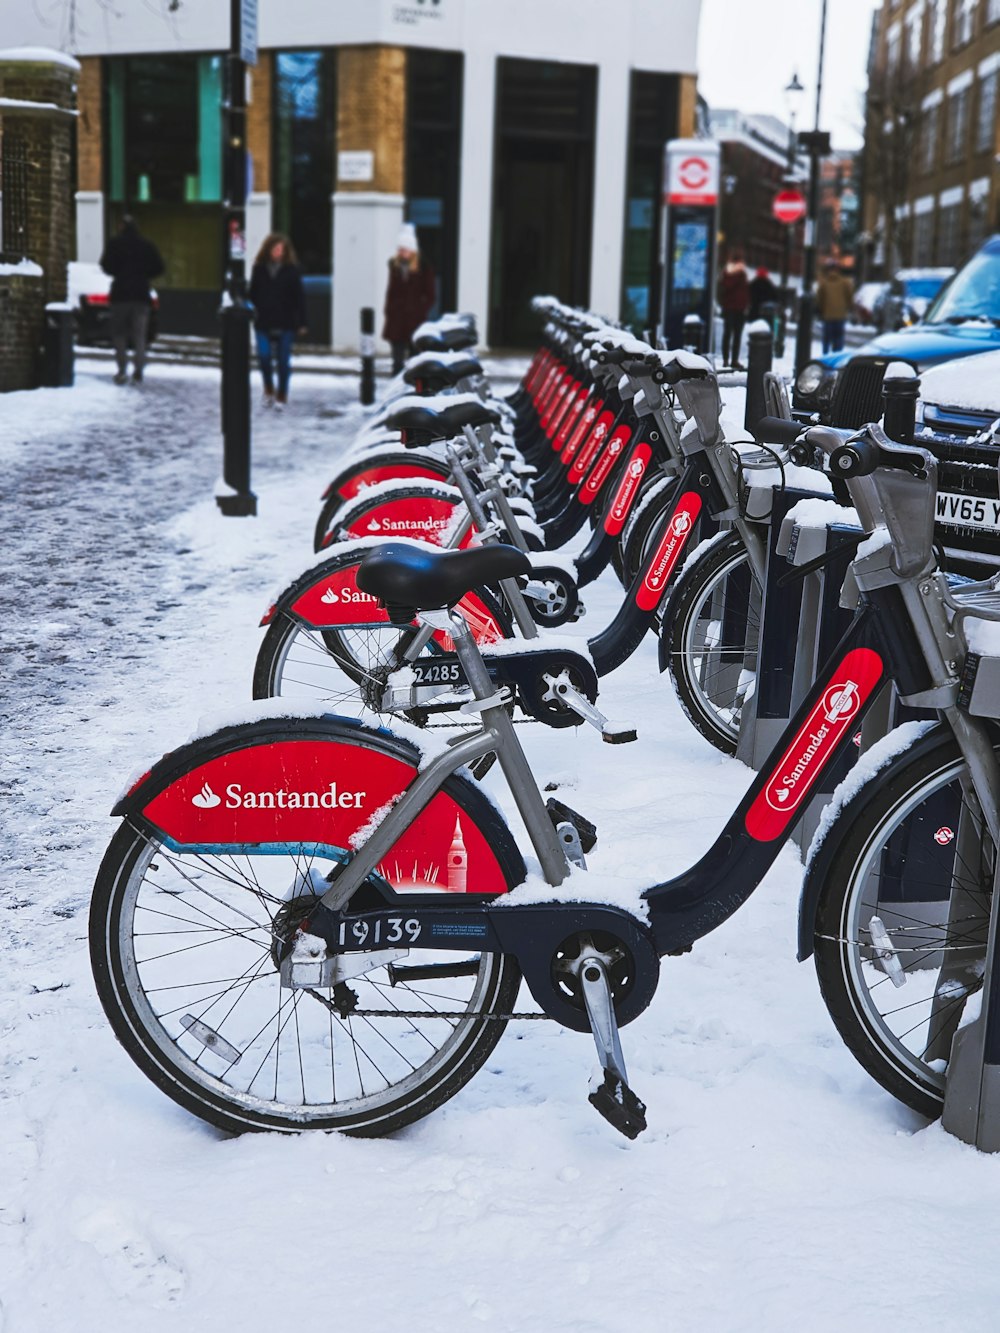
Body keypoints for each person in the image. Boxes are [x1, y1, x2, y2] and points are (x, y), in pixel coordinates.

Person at [99, 215, 164, 385]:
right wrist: (144, 275)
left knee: (119, 334)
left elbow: (105, 265)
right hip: (141, 295)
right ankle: (138, 371)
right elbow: (159, 267)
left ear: (122, 227)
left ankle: (122, 370)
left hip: (120, 294)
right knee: (139, 335)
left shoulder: (115, 244)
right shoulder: (146, 246)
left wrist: (120, 272)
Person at [248, 233, 307, 408]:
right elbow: (253, 293)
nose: (278, 252)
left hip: (285, 321)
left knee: (283, 361)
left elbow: (299, 298)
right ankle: (268, 387)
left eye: (281, 249)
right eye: (275, 249)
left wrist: (302, 322)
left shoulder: (292, 271)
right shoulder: (259, 269)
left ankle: (282, 393)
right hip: (263, 321)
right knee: (264, 356)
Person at [382, 223, 436, 374]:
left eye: (403, 249)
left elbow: (430, 295)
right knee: (397, 360)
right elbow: (391, 291)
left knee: (415, 360)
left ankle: (412, 389)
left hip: (414, 319)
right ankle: (396, 387)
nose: (400, 252)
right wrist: (389, 310)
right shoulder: (395, 267)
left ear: (412, 250)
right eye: (399, 249)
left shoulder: (424, 268)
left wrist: (420, 309)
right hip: (397, 318)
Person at [717, 249, 750, 369]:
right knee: (730, 334)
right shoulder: (731, 273)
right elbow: (727, 287)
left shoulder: (739, 273)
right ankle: (728, 360)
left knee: (734, 335)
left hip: (737, 308)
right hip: (732, 307)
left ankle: (732, 360)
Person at [816, 258, 854, 354]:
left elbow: (819, 298)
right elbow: (849, 296)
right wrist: (849, 307)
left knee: (826, 339)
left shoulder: (824, 283)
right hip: (840, 315)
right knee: (838, 338)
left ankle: (825, 358)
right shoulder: (845, 282)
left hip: (827, 316)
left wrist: (821, 310)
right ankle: (836, 358)